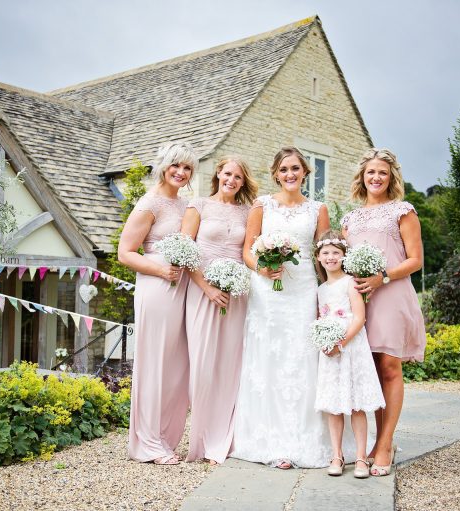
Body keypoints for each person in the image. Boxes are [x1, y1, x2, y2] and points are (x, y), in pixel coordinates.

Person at [232, 146, 332, 469]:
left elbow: (323, 255)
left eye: (296, 169)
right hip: (268, 293)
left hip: (303, 289)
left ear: (305, 172)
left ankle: (305, 437)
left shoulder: (319, 209)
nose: (290, 174)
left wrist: (333, 295)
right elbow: (248, 250)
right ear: (276, 173)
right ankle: (271, 440)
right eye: (284, 169)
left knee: (302, 357)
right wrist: (261, 267)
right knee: (269, 358)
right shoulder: (262, 205)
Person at [340, 148, 426, 477]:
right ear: (362, 177)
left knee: (390, 366)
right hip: (362, 298)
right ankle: (376, 442)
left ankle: (386, 443)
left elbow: (415, 260)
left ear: (391, 179)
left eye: (383, 173)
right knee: (372, 370)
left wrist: (383, 276)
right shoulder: (351, 219)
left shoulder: (403, 211)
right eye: (371, 172)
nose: (376, 178)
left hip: (391, 294)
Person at [118, 141, 198, 465]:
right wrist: (162, 269)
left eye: (187, 168)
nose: (181, 172)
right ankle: (147, 442)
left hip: (183, 290)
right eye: (175, 166)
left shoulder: (186, 204)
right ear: (163, 166)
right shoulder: (149, 203)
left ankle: (165, 435)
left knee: (177, 367)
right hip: (157, 286)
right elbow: (125, 252)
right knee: (154, 365)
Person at [181, 156, 258, 465]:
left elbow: (248, 250)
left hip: (237, 294)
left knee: (231, 365)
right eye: (228, 173)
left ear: (243, 181)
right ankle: (199, 440)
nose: (232, 180)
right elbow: (185, 250)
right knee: (201, 366)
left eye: (238, 176)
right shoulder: (197, 205)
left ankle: (223, 440)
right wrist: (208, 287)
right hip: (202, 293)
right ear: (218, 174)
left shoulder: (248, 211)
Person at [313, 230, 386, 478]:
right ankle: (337, 455)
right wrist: (324, 341)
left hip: (351, 347)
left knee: (356, 405)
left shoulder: (351, 283)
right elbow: (321, 318)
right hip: (330, 350)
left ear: (344, 256)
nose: (331, 257)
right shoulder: (321, 288)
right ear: (319, 258)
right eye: (326, 253)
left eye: (336, 253)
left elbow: (360, 317)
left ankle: (362, 458)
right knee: (333, 405)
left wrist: (341, 342)